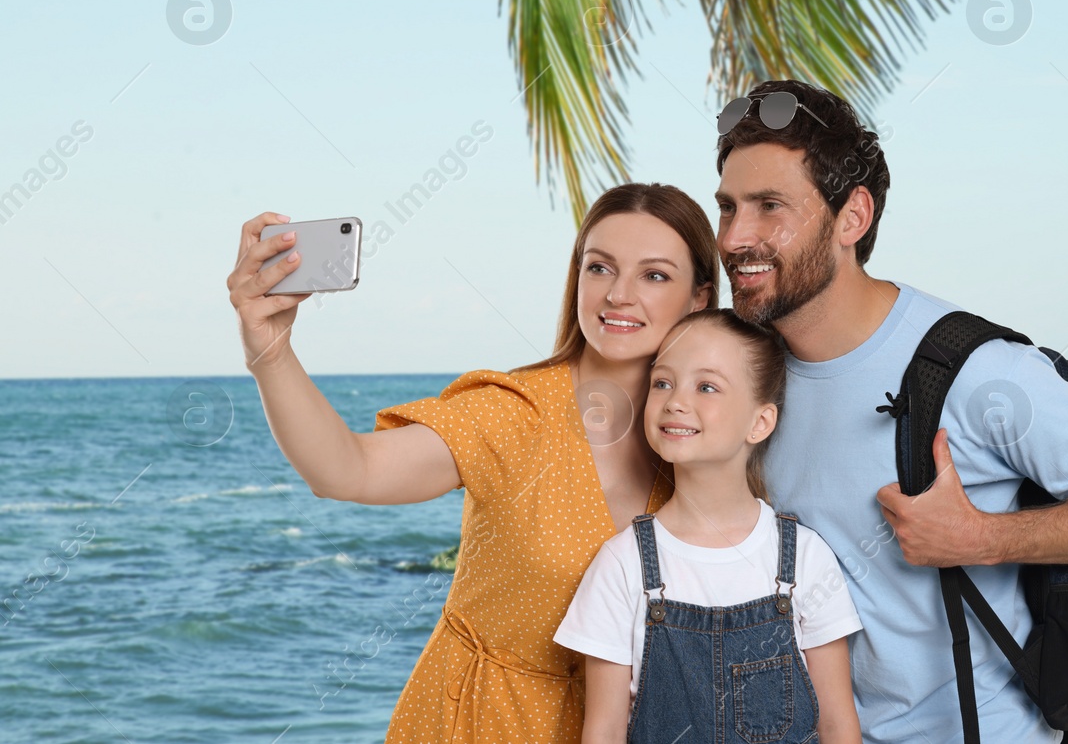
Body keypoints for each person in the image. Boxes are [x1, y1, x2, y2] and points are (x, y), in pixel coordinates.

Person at [710, 79, 1068, 744]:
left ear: (852, 217)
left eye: (770, 207)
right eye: (729, 208)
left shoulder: (975, 369)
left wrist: (981, 538)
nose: (737, 236)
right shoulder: (745, 376)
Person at [225, 183, 721, 743]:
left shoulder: (704, 441)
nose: (619, 295)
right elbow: (347, 469)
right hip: (477, 723)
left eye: (654, 275)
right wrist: (268, 348)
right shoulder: (512, 413)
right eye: (600, 268)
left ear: (700, 298)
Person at [554, 308, 863, 744]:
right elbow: (603, 730)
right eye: (662, 382)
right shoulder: (622, 565)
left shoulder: (805, 557)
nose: (675, 401)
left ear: (760, 422)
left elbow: (837, 725)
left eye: (706, 386)